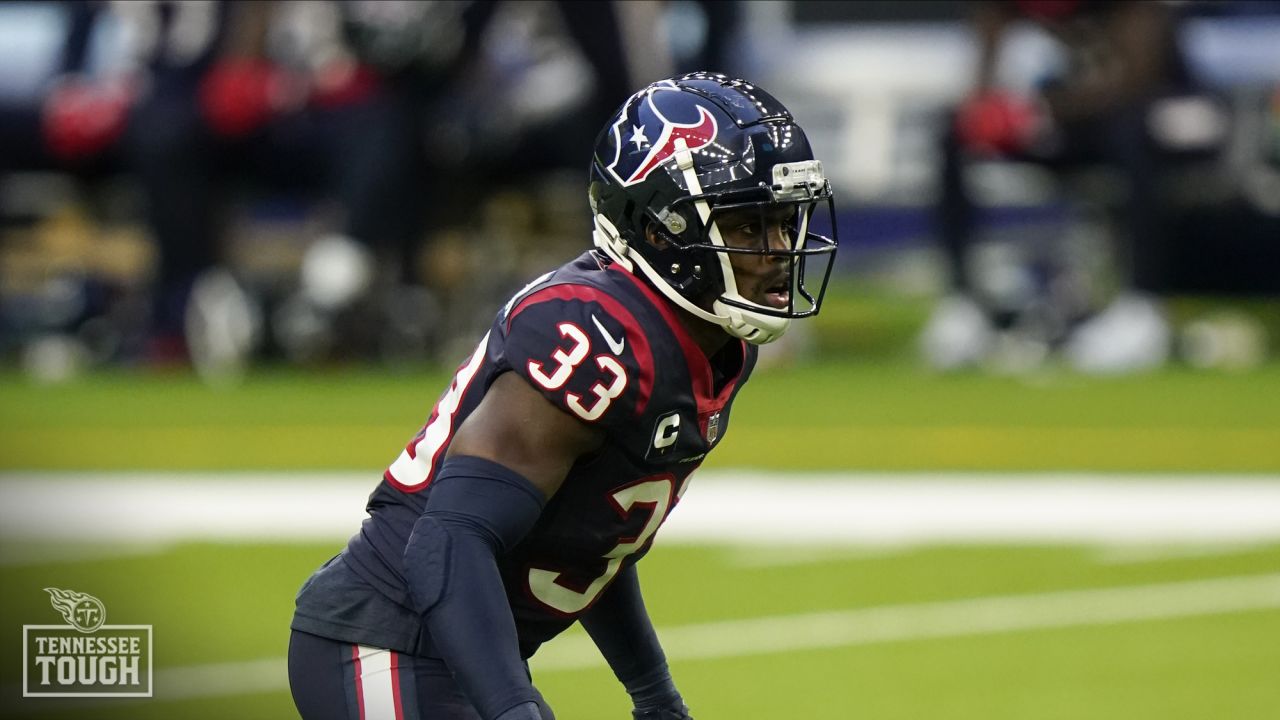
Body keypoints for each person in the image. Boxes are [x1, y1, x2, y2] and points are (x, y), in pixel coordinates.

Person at [287, 72, 838, 720]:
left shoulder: (716, 342)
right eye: (748, 226)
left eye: (784, 222)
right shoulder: (592, 337)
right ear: (660, 230)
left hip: (450, 651)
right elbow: (446, 540)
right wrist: (516, 709)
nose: (779, 252)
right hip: (380, 643)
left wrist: (655, 696)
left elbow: (591, 541)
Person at [921, 0, 1221, 373]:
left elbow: (1135, 84)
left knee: (1134, 131)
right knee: (956, 131)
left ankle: (1142, 309)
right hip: (1076, 125)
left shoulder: (1135, 11)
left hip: (1173, 122)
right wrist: (992, 112)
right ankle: (963, 306)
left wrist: (1041, 111)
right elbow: (983, 83)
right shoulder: (1004, 11)